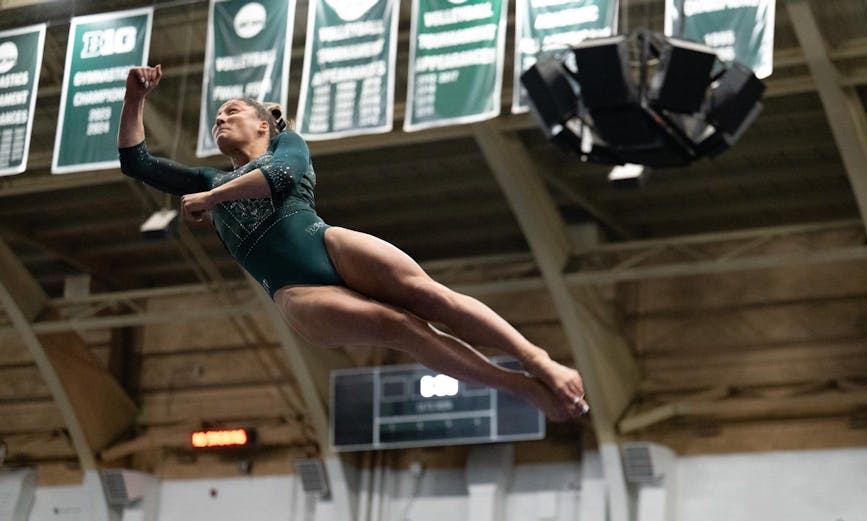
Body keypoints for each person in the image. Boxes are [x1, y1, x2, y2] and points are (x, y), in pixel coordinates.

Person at [117, 65, 588, 422]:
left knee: (432, 297)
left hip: (327, 244)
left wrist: (211, 197)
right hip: (298, 293)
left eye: (232, 112)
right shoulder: (206, 176)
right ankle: (518, 386)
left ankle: (539, 361)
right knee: (402, 325)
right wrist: (134, 97)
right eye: (217, 117)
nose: (221, 119)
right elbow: (137, 163)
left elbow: (276, 180)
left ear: (264, 125)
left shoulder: (287, 147)